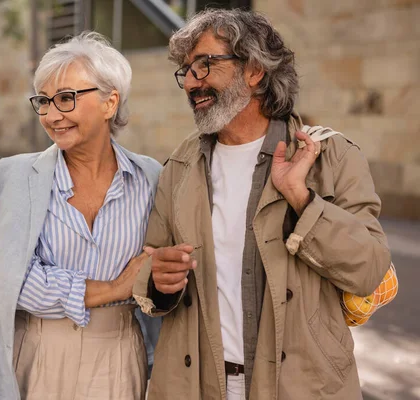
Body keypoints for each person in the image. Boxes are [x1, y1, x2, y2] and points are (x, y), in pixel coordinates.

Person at [132, 9, 392, 400]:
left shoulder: (328, 156)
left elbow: (369, 268)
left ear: (254, 70)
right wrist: (158, 280)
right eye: (185, 72)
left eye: (204, 66)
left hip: (303, 388)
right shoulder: (180, 166)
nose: (190, 83)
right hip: (195, 387)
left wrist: (301, 199)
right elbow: (151, 267)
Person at [0, 32, 161, 400]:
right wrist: (115, 288)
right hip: (40, 354)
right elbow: (16, 281)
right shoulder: (13, 178)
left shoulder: (150, 179)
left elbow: (159, 269)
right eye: (44, 101)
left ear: (110, 102)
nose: (51, 115)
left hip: (121, 354)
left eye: (66, 99)